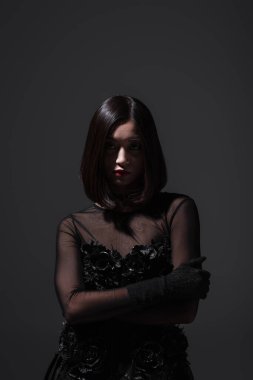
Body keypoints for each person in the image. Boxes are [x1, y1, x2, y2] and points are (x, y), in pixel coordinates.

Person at [44, 95, 211, 380]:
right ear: (96, 151)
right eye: (110, 147)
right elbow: (73, 309)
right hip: (82, 371)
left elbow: (185, 309)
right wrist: (168, 285)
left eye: (133, 146)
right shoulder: (72, 226)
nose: (121, 159)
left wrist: (96, 310)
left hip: (157, 370)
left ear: (149, 151)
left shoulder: (177, 210)